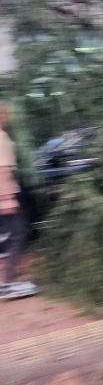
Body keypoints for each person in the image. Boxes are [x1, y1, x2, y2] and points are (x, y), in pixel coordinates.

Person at [0, 102, 37, 300]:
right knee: (19, 233)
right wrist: (6, 199)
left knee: (8, 235)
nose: (7, 117)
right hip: (4, 194)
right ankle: (6, 282)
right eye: (5, 114)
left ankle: (7, 277)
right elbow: (3, 171)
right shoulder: (1, 137)